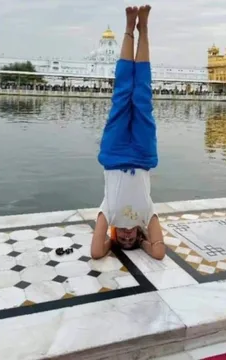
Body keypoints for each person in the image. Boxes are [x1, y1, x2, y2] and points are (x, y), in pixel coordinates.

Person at [90, 5, 165, 260]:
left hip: (114, 153)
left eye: (122, 239)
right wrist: (144, 243)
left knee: (122, 95)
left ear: (113, 234)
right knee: (142, 96)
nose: (126, 236)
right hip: (143, 155)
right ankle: (143, 28)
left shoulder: (107, 212)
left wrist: (110, 243)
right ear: (137, 233)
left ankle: (127, 29)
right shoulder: (146, 215)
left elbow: (96, 252)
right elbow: (158, 253)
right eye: (129, 238)